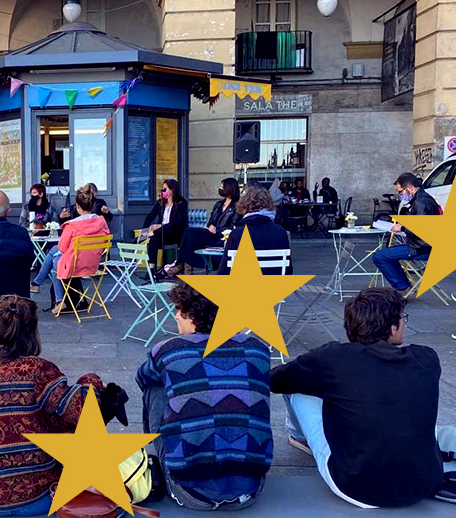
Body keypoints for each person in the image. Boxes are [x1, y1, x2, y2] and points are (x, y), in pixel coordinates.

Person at [270, 288, 446, 508]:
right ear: (392, 328)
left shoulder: (331, 358)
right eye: (403, 319)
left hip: (357, 487)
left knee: (295, 384)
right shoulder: (427, 358)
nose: (404, 324)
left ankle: (298, 437)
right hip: (424, 483)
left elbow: (276, 381)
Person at [0, 295, 126, 516]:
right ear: (31, 331)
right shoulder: (37, 369)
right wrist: (90, 381)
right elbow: (82, 410)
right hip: (36, 497)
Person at [136, 282, 272, 511]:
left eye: (179, 310)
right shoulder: (257, 347)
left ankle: (166, 459)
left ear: (191, 316)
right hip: (250, 489)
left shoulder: (168, 349)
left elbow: (142, 379)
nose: (176, 316)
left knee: (155, 388)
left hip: (189, 491)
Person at [30, 190, 110, 316]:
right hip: (93, 264)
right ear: (93, 206)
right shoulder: (101, 222)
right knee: (54, 251)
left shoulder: (72, 225)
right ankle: (37, 284)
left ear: (77, 207)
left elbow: (62, 247)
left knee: (56, 262)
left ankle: (57, 299)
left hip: (74, 265)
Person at [372, 173, 441, 295]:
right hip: (421, 245)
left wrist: (402, 227)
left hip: (422, 248)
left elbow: (421, 228)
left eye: (400, 192)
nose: (400, 195)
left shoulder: (421, 202)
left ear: (409, 187)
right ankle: (403, 286)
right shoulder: (421, 199)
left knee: (380, 256)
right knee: (387, 254)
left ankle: (402, 287)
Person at [168, 178, 241, 276]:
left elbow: (234, 226)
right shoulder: (218, 204)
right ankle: (183, 264)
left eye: (222, 186)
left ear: (229, 188)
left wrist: (217, 230)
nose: (220, 188)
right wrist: (210, 226)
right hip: (211, 234)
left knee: (190, 233)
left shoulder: (237, 206)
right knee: (189, 233)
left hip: (222, 237)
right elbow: (211, 221)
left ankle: (182, 264)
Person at [217, 184, 292, 276]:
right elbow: (288, 270)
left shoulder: (237, 233)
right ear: (269, 204)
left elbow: (223, 272)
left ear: (243, 206)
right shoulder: (280, 232)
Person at [142, 179, 189, 271]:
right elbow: (150, 216)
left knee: (155, 235)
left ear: (172, 190)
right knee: (153, 239)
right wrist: (145, 230)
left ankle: (154, 269)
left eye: (164, 189)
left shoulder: (181, 204)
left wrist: (160, 226)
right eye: (162, 189)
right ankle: (151, 268)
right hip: (161, 234)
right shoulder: (161, 203)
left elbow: (177, 223)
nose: (162, 191)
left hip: (175, 233)